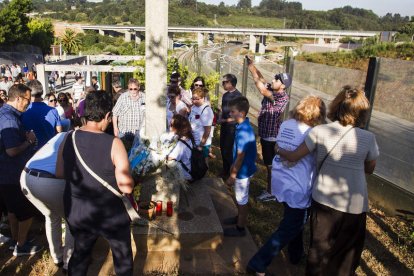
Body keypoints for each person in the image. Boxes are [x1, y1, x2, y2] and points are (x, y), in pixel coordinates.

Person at [275, 86, 379, 275]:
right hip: (354, 204)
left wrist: (279, 150)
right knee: (346, 254)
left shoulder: (320, 131)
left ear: (336, 105)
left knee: (319, 248)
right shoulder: (368, 138)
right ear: (363, 111)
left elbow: (294, 156)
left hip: (323, 199)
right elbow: (370, 169)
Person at [246, 96, 327, 275]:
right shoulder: (313, 133)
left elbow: (278, 147)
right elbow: (296, 156)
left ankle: (295, 255)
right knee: (291, 225)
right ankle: (258, 262)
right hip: (299, 184)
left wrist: (280, 151)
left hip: (281, 179)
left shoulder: (286, 124)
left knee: (293, 219)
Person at [62, 90, 134, 275]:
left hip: (78, 210)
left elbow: (59, 172)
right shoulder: (114, 143)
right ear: (107, 115)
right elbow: (126, 185)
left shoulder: (68, 137)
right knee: (122, 257)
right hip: (109, 212)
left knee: (81, 253)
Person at [21, 132, 74, 271]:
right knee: (71, 219)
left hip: (26, 176)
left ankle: (57, 257)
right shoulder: (79, 138)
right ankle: (69, 262)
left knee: (51, 217)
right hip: (48, 181)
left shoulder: (62, 134)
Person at [0, 84, 42, 256]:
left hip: (6, 174)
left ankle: (16, 241)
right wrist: (29, 141)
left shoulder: (7, 114)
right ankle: (21, 245)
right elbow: (11, 151)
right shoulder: (9, 119)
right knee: (27, 211)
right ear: (18, 98)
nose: (29, 103)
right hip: (11, 174)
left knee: (12, 210)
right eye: (27, 100)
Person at [246, 56, 291, 203]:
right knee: (270, 165)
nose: (273, 81)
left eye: (276, 80)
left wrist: (252, 69)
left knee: (271, 166)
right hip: (267, 135)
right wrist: (253, 66)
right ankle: (273, 189)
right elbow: (262, 78)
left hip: (271, 138)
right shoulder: (274, 90)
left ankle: (271, 192)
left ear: (283, 86)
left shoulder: (280, 97)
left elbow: (260, 86)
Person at [223, 96, 257, 237]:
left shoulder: (244, 131)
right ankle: (239, 218)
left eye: (232, 111)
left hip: (242, 172)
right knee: (239, 198)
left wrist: (232, 175)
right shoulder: (242, 126)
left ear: (241, 113)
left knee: (242, 200)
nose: (230, 114)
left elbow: (241, 155)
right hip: (240, 168)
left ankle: (240, 228)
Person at [22, 80, 62, 149]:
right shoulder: (53, 110)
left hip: (32, 153)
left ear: (28, 93)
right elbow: (59, 132)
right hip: (51, 149)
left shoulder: (24, 112)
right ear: (42, 92)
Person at [218, 74, 242, 178]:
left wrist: (226, 120)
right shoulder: (225, 95)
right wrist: (220, 115)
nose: (222, 84)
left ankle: (231, 174)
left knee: (229, 149)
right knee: (223, 148)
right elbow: (223, 110)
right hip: (224, 126)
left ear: (231, 83)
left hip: (232, 127)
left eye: (224, 82)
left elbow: (240, 116)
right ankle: (225, 170)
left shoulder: (238, 97)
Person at [188, 87, 214, 163]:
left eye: (196, 99)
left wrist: (201, 145)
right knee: (196, 162)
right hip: (193, 140)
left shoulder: (206, 110)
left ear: (203, 98)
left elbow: (207, 131)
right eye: (192, 99)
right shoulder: (193, 107)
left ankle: (205, 175)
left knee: (203, 163)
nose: (194, 101)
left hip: (202, 143)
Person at [167, 114, 194, 181]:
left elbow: (170, 158)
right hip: (190, 170)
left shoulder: (181, 144)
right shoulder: (188, 137)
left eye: (171, 125)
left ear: (178, 128)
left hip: (185, 176)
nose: (169, 127)